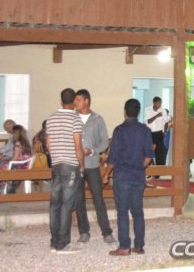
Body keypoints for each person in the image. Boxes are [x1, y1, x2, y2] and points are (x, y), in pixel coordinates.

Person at [104, 98, 153, 256]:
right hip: (138, 176)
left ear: (125, 112)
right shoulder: (145, 130)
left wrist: (106, 174)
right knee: (138, 211)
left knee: (122, 212)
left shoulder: (119, 131)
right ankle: (139, 245)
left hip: (122, 177)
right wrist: (139, 167)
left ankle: (124, 246)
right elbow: (149, 156)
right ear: (138, 112)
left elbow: (113, 158)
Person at [74, 89, 115, 244]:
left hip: (92, 165)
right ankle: (84, 232)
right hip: (76, 165)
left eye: (78, 100)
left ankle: (107, 232)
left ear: (86, 101)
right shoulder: (72, 118)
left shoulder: (97, 119)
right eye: (75, 100)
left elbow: (104, 142)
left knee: (98, 198)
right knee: (79, 200)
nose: (76, 103)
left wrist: (92, 151)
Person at [46, 88, 85, 254]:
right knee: (66, 204)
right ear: (74, 101)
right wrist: (81, 164)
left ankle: (54, 241)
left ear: (61, 101)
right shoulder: (75, 119)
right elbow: (78, 144)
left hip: (56, 165)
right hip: (70, 165)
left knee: (55, 203)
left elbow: (48, 144)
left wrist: (56, 156)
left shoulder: (51, 118)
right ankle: (63, 243)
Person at [0, 124, 32, 194]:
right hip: (25, 166)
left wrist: (8, 163)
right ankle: (6, 189)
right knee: (3, 165)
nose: (12, 134)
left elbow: (15, 159)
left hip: (18, 167)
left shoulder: (17, 144)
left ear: (16, 133)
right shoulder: (26, 143)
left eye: (13, 133)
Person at [144, 97, 168, 168]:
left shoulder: (163, 111)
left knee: (160, 153)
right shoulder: (148, 109)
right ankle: (149, 168)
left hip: (159, 133)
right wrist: (157, 116)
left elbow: (166, 122)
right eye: (158, 103)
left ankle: (159, 170)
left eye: (161, 103)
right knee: (149, 151)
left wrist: (164, 132)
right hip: (149, 133)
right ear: (154, 102)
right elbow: (148, 121)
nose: (160, 104)